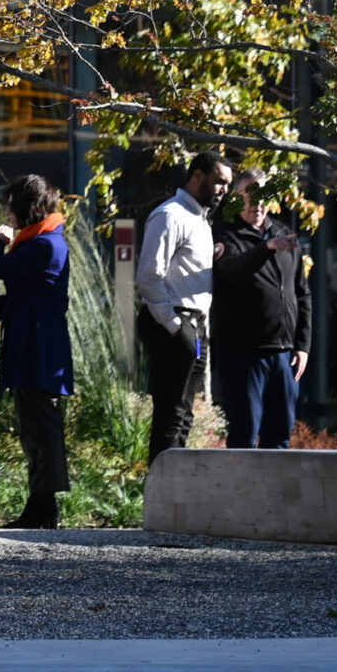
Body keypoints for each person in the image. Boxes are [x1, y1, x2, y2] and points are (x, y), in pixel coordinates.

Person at [0, 174, 73, 529]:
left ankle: (45, 507)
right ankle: (40, 504)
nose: (7, 213)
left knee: (41, 426)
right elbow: (31, 294)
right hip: (33, 344)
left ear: (26, 208)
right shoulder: (40, 242)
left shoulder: (43, 245)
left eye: (10, 206)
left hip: (39, 349)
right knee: (35, 427)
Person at [137, 151, 232, 459]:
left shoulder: (200, 219)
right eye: (219, 182)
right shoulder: (171, 215)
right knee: (171, 414)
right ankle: (161, 495)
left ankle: (173, 492)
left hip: (194, 325)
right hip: (176, 323)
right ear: (197, 176)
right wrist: (176, 326)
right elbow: (148, 277)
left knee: (183, 415)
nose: (224, 191)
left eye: (228, 185)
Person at [210, 171, 309, 450]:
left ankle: (275, 495)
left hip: (284, 355)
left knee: (280, 438)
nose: (258, 202)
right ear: (237, 197)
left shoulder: (283, 234)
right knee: (244, 435)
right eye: (251, 194)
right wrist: (266, 248)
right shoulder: (225, 235)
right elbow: (231, 272)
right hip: (244, 355)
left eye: (264, 195)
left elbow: (302, 293)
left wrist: (303, 346)